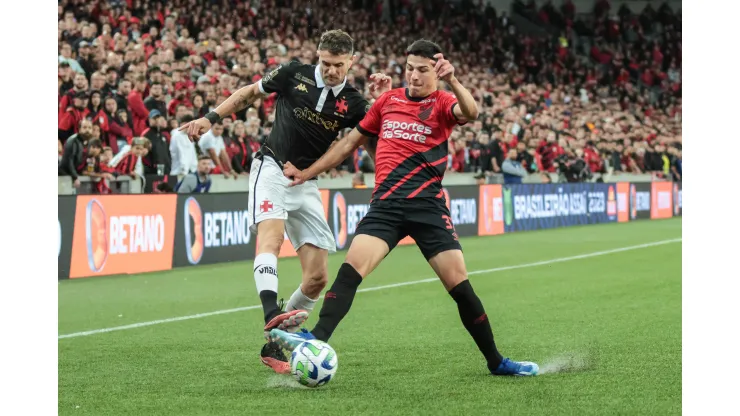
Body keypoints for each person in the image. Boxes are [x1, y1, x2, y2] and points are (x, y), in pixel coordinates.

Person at [272, 39, 539, 377]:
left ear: (437, 72)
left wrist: (455, 81)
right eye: (410, 68)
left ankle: (496, 361)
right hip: (387, 206)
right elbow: (349, 143)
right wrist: (307, 173)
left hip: (428, 207)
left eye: (422, 70)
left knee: (459, 286)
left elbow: (471, 112)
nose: (413, 75)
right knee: (351, 270)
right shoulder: (388, 100)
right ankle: (316, 340)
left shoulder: (443, 102)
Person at [179, 29, 391, 374]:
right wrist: (210, 118)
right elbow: (249, 92)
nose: (331, 70)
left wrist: (384, 118)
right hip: (272, 167)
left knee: (318, 278)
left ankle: (274, 343)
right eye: (325, 62)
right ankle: (269, 312)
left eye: (338, 65)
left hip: (306, 180)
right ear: (317, 55)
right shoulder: (294, 74)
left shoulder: (354, 103)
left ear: (351, 62)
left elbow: (370, 144)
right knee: (272, 238)